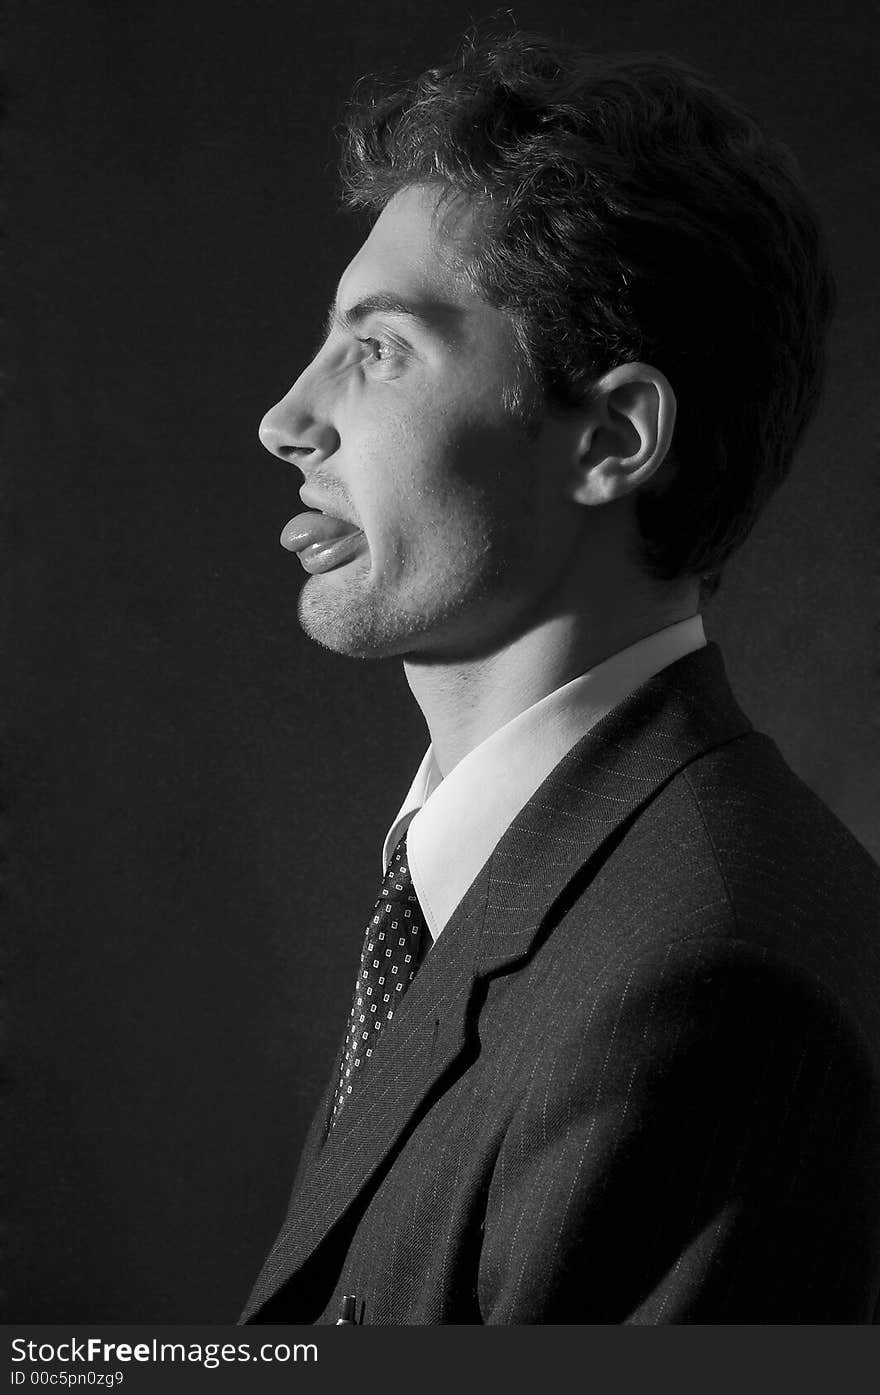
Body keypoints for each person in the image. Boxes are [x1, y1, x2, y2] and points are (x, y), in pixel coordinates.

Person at [240, 31, 880, 1324]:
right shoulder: (475, 893)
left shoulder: (706, 987)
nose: (285, 420)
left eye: (379, 350)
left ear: (613, 438)